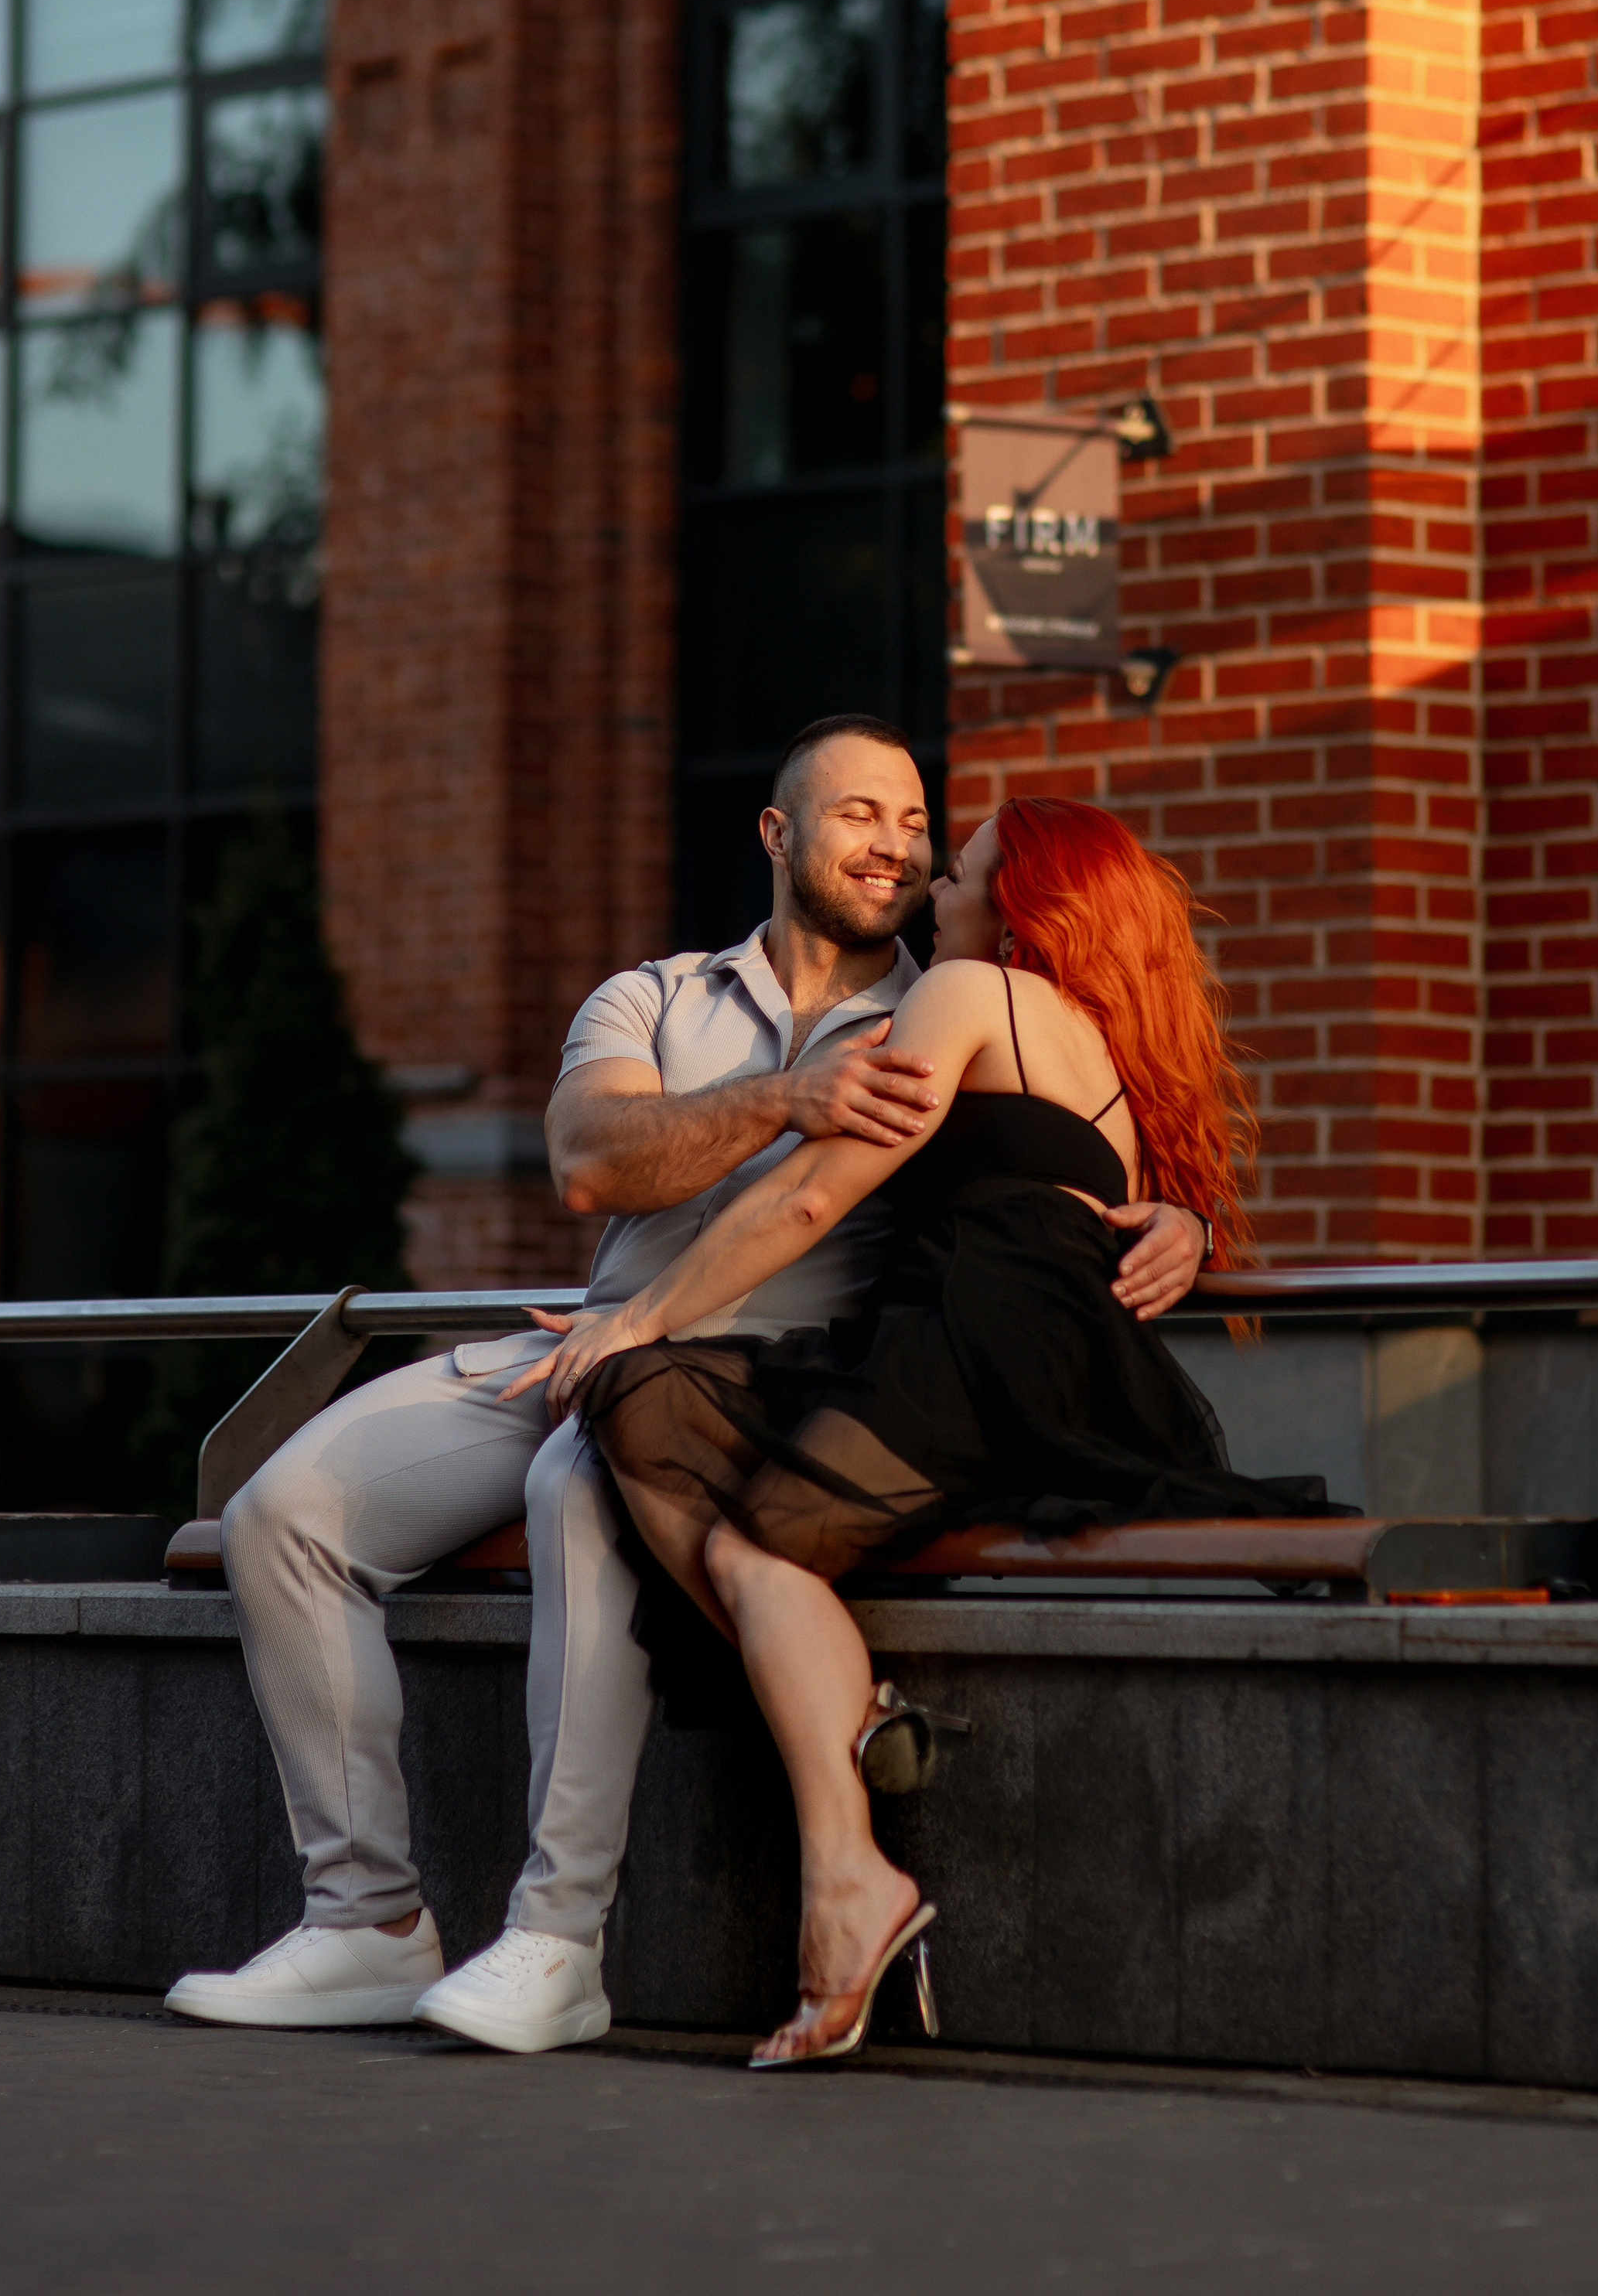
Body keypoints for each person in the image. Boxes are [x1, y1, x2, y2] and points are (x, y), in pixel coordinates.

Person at [163, 720, 1214, 2048]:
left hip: (794, 1371)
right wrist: (786, 1096)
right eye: (860, 816)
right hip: (602, 1330)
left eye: (917, 825)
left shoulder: (957, 987)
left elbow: (1055, 1154)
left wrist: (1186, 1223)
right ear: (778, 835)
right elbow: (591, 1161)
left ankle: (556, 1940)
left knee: (579, 1474)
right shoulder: (655, 997)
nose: (897, 846)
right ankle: (365, 1920)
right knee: (280, 1513)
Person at [497, 795, 1325, 2069]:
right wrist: (1192, 1227)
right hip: (1036, 1350)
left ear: (1020, 908)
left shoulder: (967, 996)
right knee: (731, 1517)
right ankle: (849, 1801)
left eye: (966, 875)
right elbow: (1126, 1211)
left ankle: (850, 1858)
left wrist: (635, 1313)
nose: (937, 890)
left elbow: (822, 1189)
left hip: (978, 1339)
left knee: (692, 1460)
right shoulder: (1101, 1039)